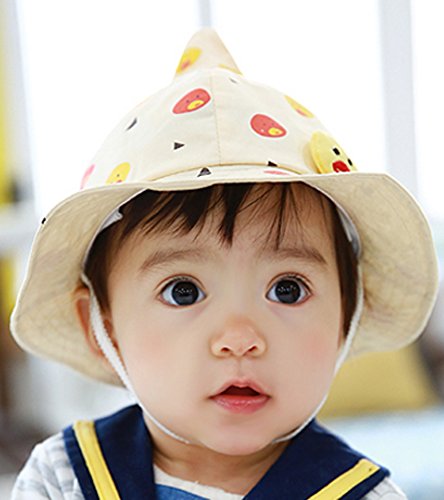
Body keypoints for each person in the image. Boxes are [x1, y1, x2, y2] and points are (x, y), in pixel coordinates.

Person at [10, 28, 438, 499]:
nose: (239, 338)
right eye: (183, 291)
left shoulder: (362, 493)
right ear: (103, 329)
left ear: (347, 315)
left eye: (288, 289)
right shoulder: (63, 477)